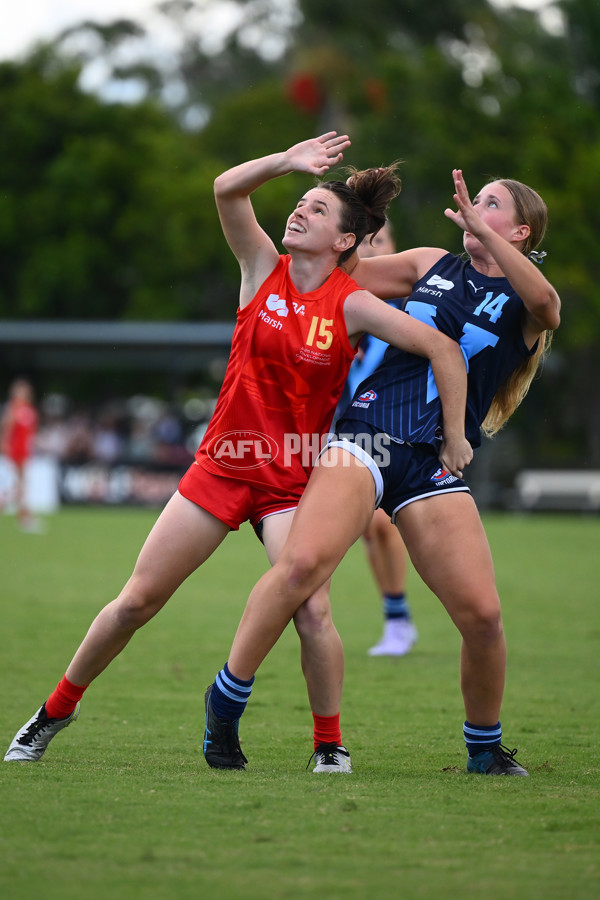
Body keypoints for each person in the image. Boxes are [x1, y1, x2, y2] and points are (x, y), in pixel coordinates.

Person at [4, 134, 469, 772]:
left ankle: (329, 744)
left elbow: (443, 349)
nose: (299, 210)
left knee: (313, 610)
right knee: (136, 602)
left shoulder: (353, 303)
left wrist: (454, 435)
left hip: (290, 484)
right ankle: (54, 712)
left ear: (344, 241)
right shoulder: (260, 267)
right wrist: (286, 162)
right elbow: (226, 189)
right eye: (299, 202)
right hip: (221, 468)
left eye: (316, 209)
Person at [203, 167, 560, 776]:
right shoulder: (430, 263)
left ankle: (484, 749)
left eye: (490, 203)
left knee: (483, 618)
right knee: (301, 568)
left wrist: (484, 237)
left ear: (520, 231)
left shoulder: (529, 299)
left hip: (434, 460)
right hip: (368, 434)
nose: (474, 206)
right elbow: (338, 275)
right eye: (475, 199)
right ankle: (227, 696)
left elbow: (548, 308)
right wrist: (354, 213)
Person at [351, 223, 416, 657]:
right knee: (367, 530)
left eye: (380, 241)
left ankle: (397, 618)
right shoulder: (341, 303)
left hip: (396, 432)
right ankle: (397, 618)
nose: (371, 250)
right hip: (344, 430)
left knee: (377, 523)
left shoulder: (412, 309)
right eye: (363, 241)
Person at [0, 378, 40, 532]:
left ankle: (24, 516)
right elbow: (7, 428)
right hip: (14, 451)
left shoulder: (28, 409)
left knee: (21, 485)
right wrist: (5, 445)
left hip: (24, 451)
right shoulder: (14, 408)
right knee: (17, 485)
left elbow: (30, 432)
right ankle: (24, 517)